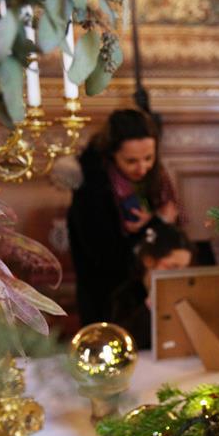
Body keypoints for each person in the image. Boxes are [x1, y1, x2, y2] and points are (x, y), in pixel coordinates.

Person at [67, 109, 181, 325]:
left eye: (149, 158)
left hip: (149, 299)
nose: (142, 168)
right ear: (112, 154)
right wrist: (158, 223)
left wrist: (156, 223)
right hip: (107, 302)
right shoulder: (91, 188)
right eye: (131, 161)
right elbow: (107, 258)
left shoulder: (157, 180)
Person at [111, 222, 194, 349]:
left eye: (185, 268)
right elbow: (120, 341)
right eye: (173, 267)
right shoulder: (125, 295)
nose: (180, 275)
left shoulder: (186, 292)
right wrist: (149, 307)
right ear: (148, 261)